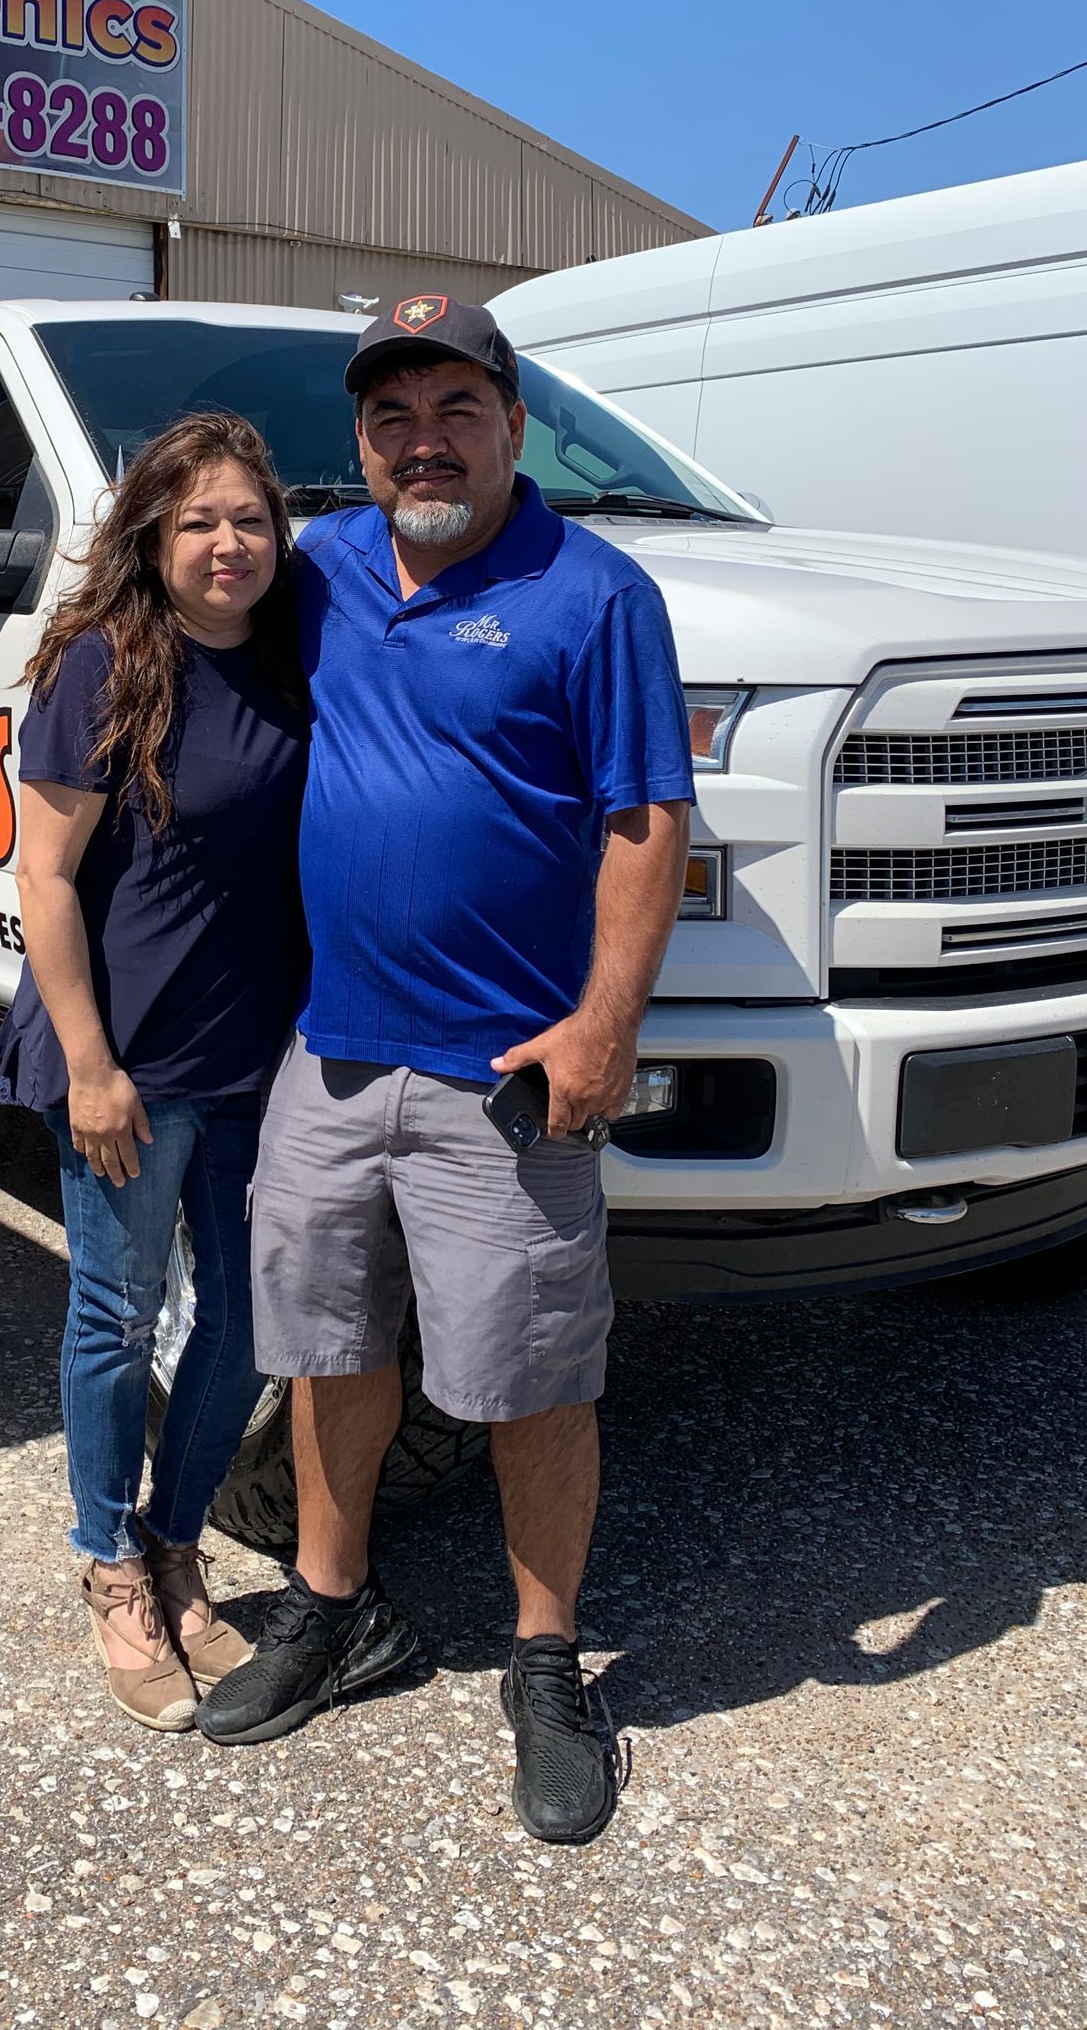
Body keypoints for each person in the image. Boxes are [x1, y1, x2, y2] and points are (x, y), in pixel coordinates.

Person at [195, 297, 695, 1844]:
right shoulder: (325, 568)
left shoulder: (596, 596)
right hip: (332, 1053)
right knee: (330, 1346)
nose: (424, 441)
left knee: (532, 1376)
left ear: (513, 423)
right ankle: (332, 1607)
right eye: (392, 416)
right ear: (359, 443)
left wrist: (606, 1024)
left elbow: (647, 820)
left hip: (508, 1072)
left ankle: (547, 1663)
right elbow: (169, 594)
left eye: (456, 409)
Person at [0, 411, 310, 1731]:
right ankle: (109, 1567)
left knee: (242, 1323)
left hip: (254, 1060)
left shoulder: (294, 654)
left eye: (251, 518)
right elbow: (45, 877)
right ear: (151, 536)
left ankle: (177, 1548)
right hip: (127, 1061)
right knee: (118, 1317)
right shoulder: (107, 664)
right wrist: (90, 1065)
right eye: (199, 521)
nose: (229, 543)